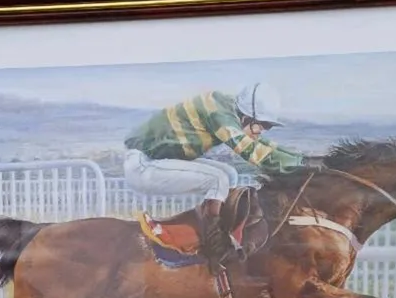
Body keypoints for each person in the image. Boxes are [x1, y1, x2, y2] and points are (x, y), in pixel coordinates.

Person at [124, 82, 306, 267]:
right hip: (142, 166)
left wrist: (303, 160)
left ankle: (217, 234)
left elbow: (264, 145)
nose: (262, 131)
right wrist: (302, 166)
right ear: (246, 116)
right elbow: (251, 151)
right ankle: (213, 247)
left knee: (229, 173)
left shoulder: (228, 108)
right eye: (263, 125)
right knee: (219, 179)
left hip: (155, 160)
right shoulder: (219, 115)